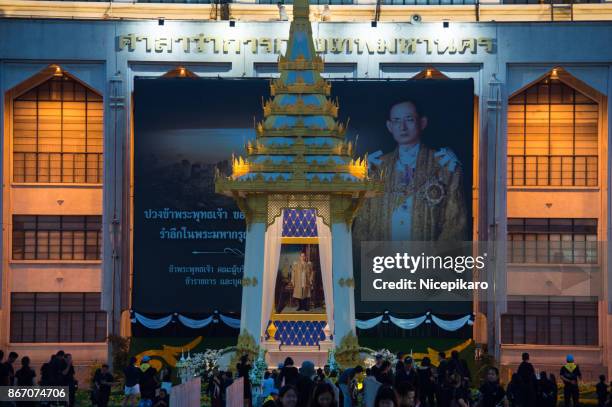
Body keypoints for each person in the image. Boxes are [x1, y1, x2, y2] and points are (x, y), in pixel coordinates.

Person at [353, 99, 467, 243]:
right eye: (396, 120)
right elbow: (362, 225)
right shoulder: (376, 167)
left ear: (422, 122)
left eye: (409, 119)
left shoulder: (444, 166)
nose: (403, 127)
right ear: (389, 126)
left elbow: (455, 224)